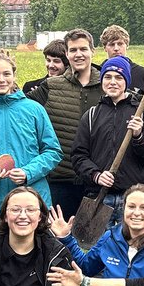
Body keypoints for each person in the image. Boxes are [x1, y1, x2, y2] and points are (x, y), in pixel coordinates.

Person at [0, 54, 62, 232]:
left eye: (6, 74)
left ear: (14, 76)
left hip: (33, 202)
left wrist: (28, 172)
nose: (1, 79)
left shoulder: (34, 109)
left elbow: (53, 151)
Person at [71, 55, 144, 224]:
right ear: (102, 80)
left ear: (127, 82)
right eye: (108, 77)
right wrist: (96, 175)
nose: (113, 82)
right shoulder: (91, 116)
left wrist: (138, 136)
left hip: (133, 198)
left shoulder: (142, 114)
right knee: (97, 248)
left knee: (132, 246)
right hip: (98, 196)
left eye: (119, 77)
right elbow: (78, 156)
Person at [29, 28, 103, 217]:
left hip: (97, 178)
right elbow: (22, 108)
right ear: (67, 54)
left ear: (92, 51)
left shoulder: (107, 85)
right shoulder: (52, 86)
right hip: (60, 178)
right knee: (59, 237)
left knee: (94, 240)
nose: (78, 54)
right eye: (73, 50)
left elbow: (137, 107)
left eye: (83, 49)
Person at [99, 24, 144, 95]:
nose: (116, 48)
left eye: (120, 44)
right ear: (105, 48)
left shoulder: (141, 73)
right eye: (112, 44)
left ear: (127, 45)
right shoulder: (97, 72)